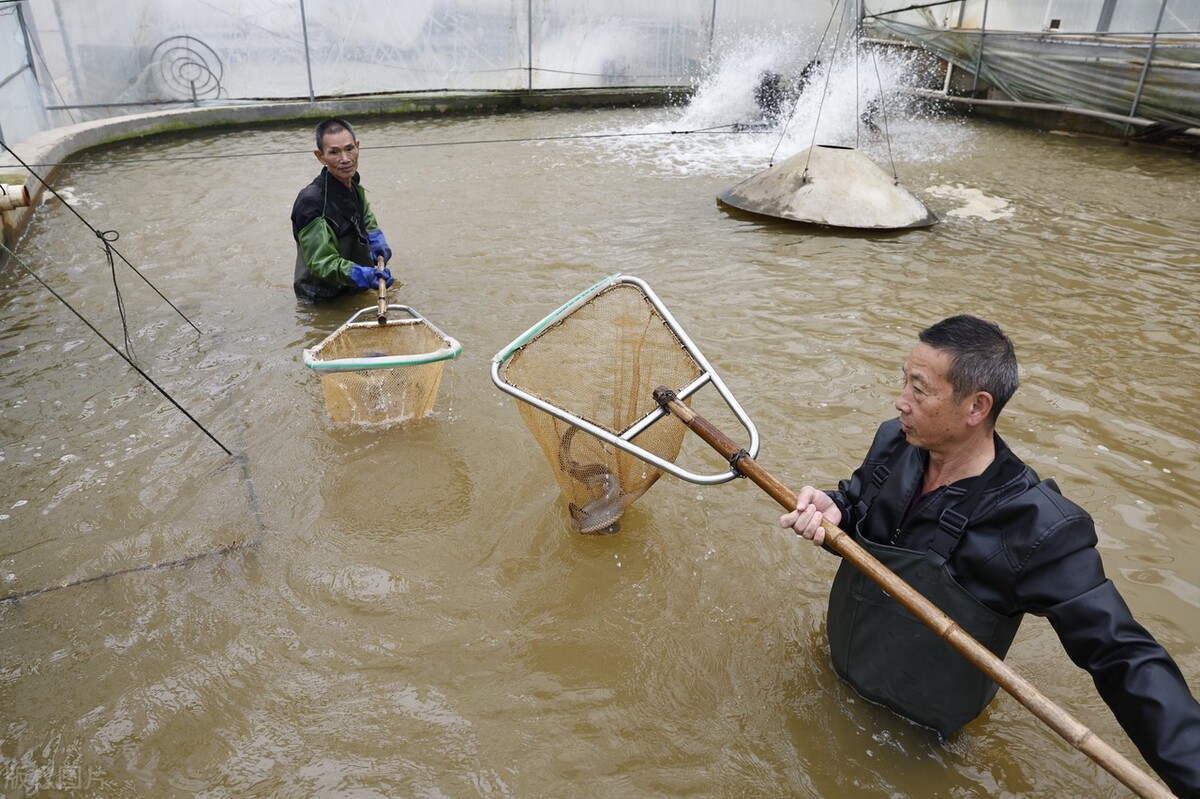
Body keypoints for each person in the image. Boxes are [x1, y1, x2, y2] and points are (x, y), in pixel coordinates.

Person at [779, 315, 1199, 797]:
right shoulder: (895, 442)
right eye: (904, 381)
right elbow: (859, 500)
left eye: (919, 389)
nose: (901, 401)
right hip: (835, 667)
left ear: (977, 407)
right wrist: (838, 507)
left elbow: (1122, 654)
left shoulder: (1038, 527)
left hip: (918, 737)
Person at [291, 118, 394, 302]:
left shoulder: (353, 184)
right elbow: (321, 262)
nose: (345, 159)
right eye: (334, 152)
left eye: (349, 149)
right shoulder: (311, 203)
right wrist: (362, 275)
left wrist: (377, 243)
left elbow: (367, 219)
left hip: (354, 288)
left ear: (358, 147)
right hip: (323, 299)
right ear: (320, 156)